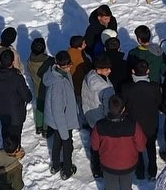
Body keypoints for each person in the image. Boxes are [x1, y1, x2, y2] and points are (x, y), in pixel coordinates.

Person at [90, 94, 147, 190]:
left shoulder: (100, 125)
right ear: (123, 108)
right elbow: (141, 147)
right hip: (128, 165)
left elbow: (94, 146)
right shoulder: (133, 125)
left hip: (108, 166)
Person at [121, 60, 163, 181]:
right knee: (151, 147)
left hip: (135, 125)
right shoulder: (155, 87)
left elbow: (125, 107)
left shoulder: (126, 88)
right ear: (148, 71)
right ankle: (152, 172)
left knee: (136, 149)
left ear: (133, 71)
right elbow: (159, 103)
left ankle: (139, 172)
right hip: (151, 123)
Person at [43, 50, 79, 180]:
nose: (69, 68)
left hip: (59, 119)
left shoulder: (59, 73)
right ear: (57, 65)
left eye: (70, 65)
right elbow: (57, 110)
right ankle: (67, 170)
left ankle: (56, 164)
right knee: (67, 144)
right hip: (63, 120)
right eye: (65, 66)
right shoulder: (58, 84)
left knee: (57, 141)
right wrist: (64, 132)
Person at [0, 49, 33, 145]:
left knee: (5, 130)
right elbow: (26, 96)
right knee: (16, 134)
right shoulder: (17, 77)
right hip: (16, 114)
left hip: (2, 111)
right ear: (13, 62)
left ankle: (6, 147)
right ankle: (15, 150)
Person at [82, 55, 115, 178]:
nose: (109, 71)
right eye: (106, 69)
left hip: (90, 115)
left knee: (94, 143)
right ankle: (102, 167)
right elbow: (108, 108)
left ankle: (96, 168)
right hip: (101, 119)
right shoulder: (106, 88)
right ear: (98, 69)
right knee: (103, 146)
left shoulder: (89, 75)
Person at [26, 38, 51, 136]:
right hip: (47, 89)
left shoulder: (30, 60)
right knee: (47, 109)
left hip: (37, 89)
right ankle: (46, 129)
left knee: (39, 108)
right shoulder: (48, 61)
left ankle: (39, 127)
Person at [67, 35, 91, 102]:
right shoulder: (80, 58)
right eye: (84, 43)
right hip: (79, 85)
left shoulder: (69, 52)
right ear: (79, 46)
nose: (85, 44)